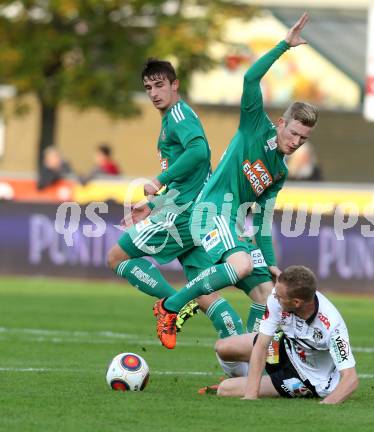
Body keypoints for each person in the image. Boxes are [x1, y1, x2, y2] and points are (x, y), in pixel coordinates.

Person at [154, 12, 319, 349]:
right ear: (280, 123)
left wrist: (271, 262)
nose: (296, 142)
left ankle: (245, 361)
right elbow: (250, 78)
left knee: (265, 293)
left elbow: (261, 219)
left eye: (303, 140)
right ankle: (170, 305)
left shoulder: (280, 172)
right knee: (241, 264)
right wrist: (283, 46)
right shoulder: (255, 126)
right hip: (211, 209)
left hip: (232, 223)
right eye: (294, 133)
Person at [106, 58, 256, 352]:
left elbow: (199, 152)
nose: (153, 93)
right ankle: (237, 371)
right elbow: (192, 171)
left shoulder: (177, 114)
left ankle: (171, 306)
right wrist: (154, 204)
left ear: (175, 85)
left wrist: (158, 179)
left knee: (117, 258)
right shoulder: (174, 117)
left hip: (183, 213)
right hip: (196, 211)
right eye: (148, 87)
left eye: (160, 85)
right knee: (204, 291)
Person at [204, 266, 359, 404]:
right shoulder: (278, 297)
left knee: (225, 389)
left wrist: (327, 404)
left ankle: (249, 382)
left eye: (279, 296)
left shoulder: (332, 326)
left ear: (297, 303)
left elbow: (350, 379)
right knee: (223, 347)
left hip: (308, 378)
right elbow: (261, 345)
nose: (274, 297)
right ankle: (246, 379)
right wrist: (251, 394)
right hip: (287, 346)